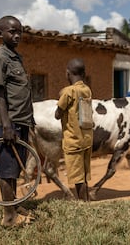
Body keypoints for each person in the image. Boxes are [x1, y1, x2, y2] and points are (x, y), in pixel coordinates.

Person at [0, 15, 35, 227]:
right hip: (10, 123)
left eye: (20, 31)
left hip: (22, 122)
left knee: (16, 168)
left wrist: (29, 122)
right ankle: (9, 217)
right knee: (8, 170)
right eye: (12, 31)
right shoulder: (0, 59)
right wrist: (7, 125)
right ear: (0, 34)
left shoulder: (16, 58)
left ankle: (15, 205)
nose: (17, 35)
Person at [55, 58, 93, 201]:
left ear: (67, 73)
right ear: (83, 74)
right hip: (87, 138)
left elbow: (57, 114)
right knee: (83, 175)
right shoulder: (86, 90)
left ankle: (83, 204)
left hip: (74, 140)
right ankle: (87, 200)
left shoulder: (69, 92)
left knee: (77, 177)